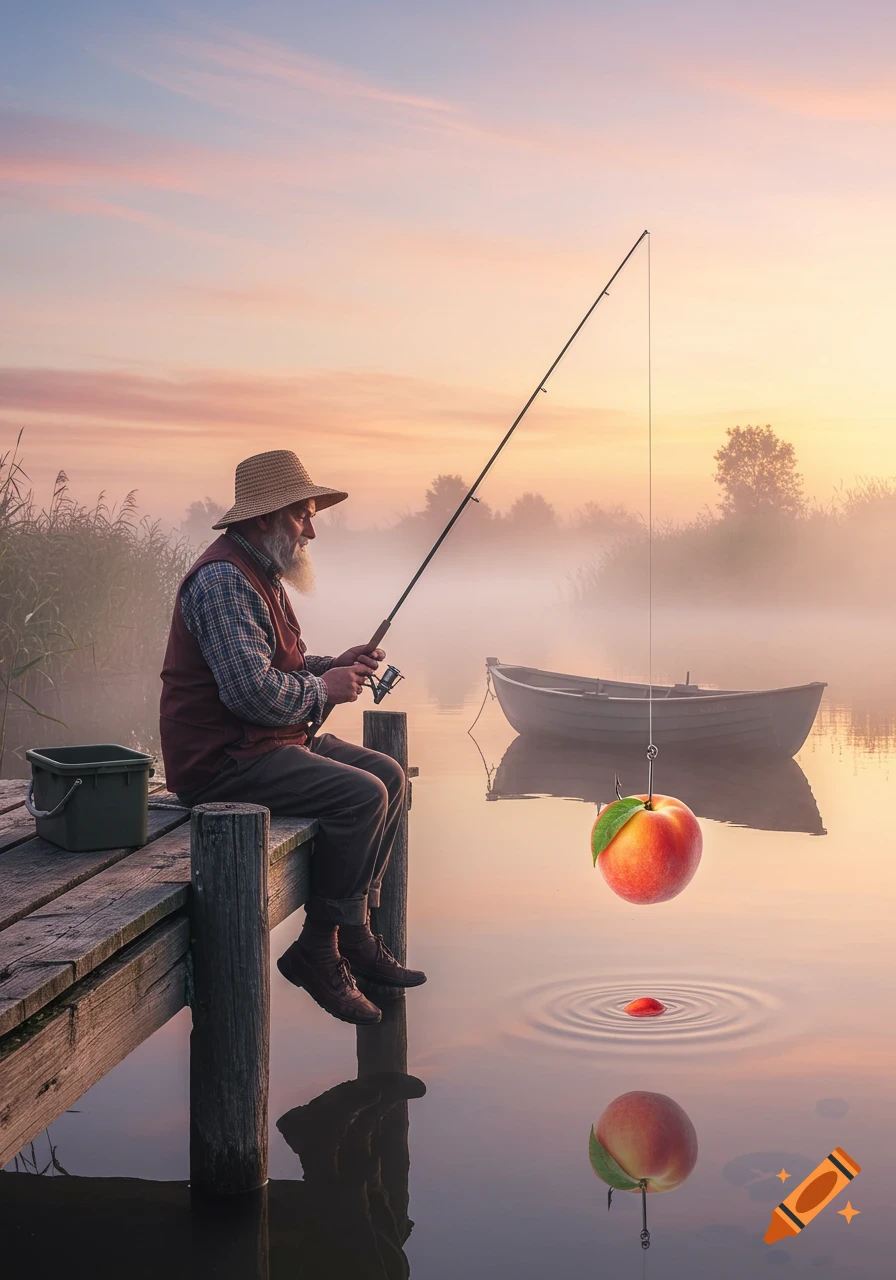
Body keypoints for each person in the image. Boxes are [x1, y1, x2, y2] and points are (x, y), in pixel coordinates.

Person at [159, 449, 426, 1026]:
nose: (312, 529)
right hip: (222, 762)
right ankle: (318, 950)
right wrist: (326, 689)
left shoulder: (260, 575)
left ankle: (352, 933)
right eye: (303, 515)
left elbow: (281, 666)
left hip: (266, 744)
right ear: (263, 519)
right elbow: (249, 694)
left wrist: (337, 664)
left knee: (388, 775)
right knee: (361, 796)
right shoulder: (224, 582)